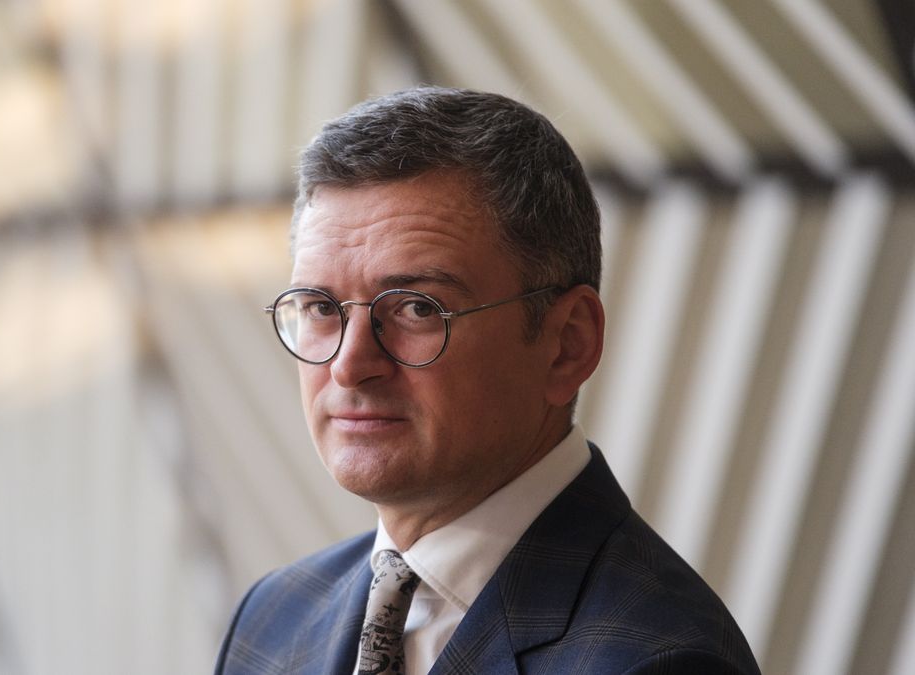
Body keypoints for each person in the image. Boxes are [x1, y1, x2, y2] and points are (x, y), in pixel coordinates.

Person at [214, 87, 759, 675]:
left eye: (417, 308)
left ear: (567, 344)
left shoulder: (658, 661)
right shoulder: (272, 617)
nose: (349, 365)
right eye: (321, 308)